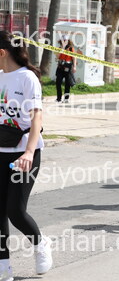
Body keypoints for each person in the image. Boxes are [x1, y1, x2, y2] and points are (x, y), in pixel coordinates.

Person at [0, 31, 53, 280]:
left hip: (24, 153)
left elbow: (36, 118)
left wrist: (29, 152)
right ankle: (3, 266)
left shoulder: (27, 78)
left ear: (2, 53)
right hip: (0, 150)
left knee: (15, 211)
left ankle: (41, 245)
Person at [55, 37, 77, 103]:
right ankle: (59, 98)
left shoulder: (71, 49)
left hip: (68, 67)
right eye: (63, 41)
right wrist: (62, 48)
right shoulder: (59, 48)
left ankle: (66, 99)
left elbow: (74, 58)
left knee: (67, 84)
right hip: (60, 67)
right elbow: (57, 56)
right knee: (58, 82)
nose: (64, 42)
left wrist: (74, 66)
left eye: (65, 41)